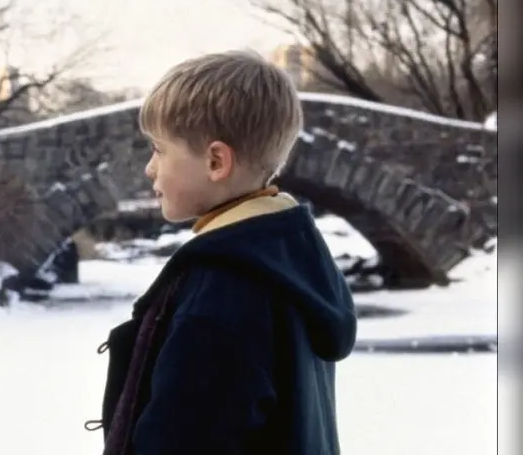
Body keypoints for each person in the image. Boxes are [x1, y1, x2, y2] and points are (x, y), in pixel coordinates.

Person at [96, 51, 357, 455]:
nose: (150, 168)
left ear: (216, 160)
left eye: (159, 150)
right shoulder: (293, 263)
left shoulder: (220, 295)